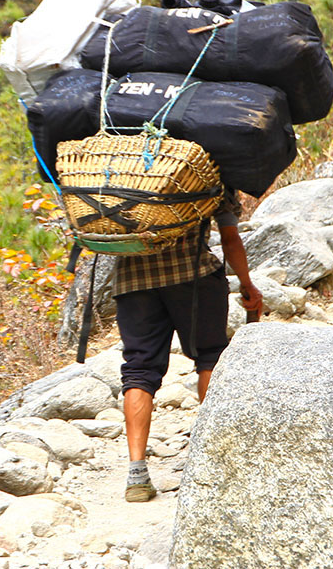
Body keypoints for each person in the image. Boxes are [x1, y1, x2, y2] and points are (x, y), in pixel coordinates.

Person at [111, 189, 263, 502]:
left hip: (132, 280)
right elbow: (230, 239)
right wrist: (247, 285)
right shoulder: (202, 168)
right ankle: (213, 460)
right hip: (193, 277)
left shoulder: (121, 173)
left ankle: (136, 473)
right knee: (209, 357)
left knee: (139, 370)